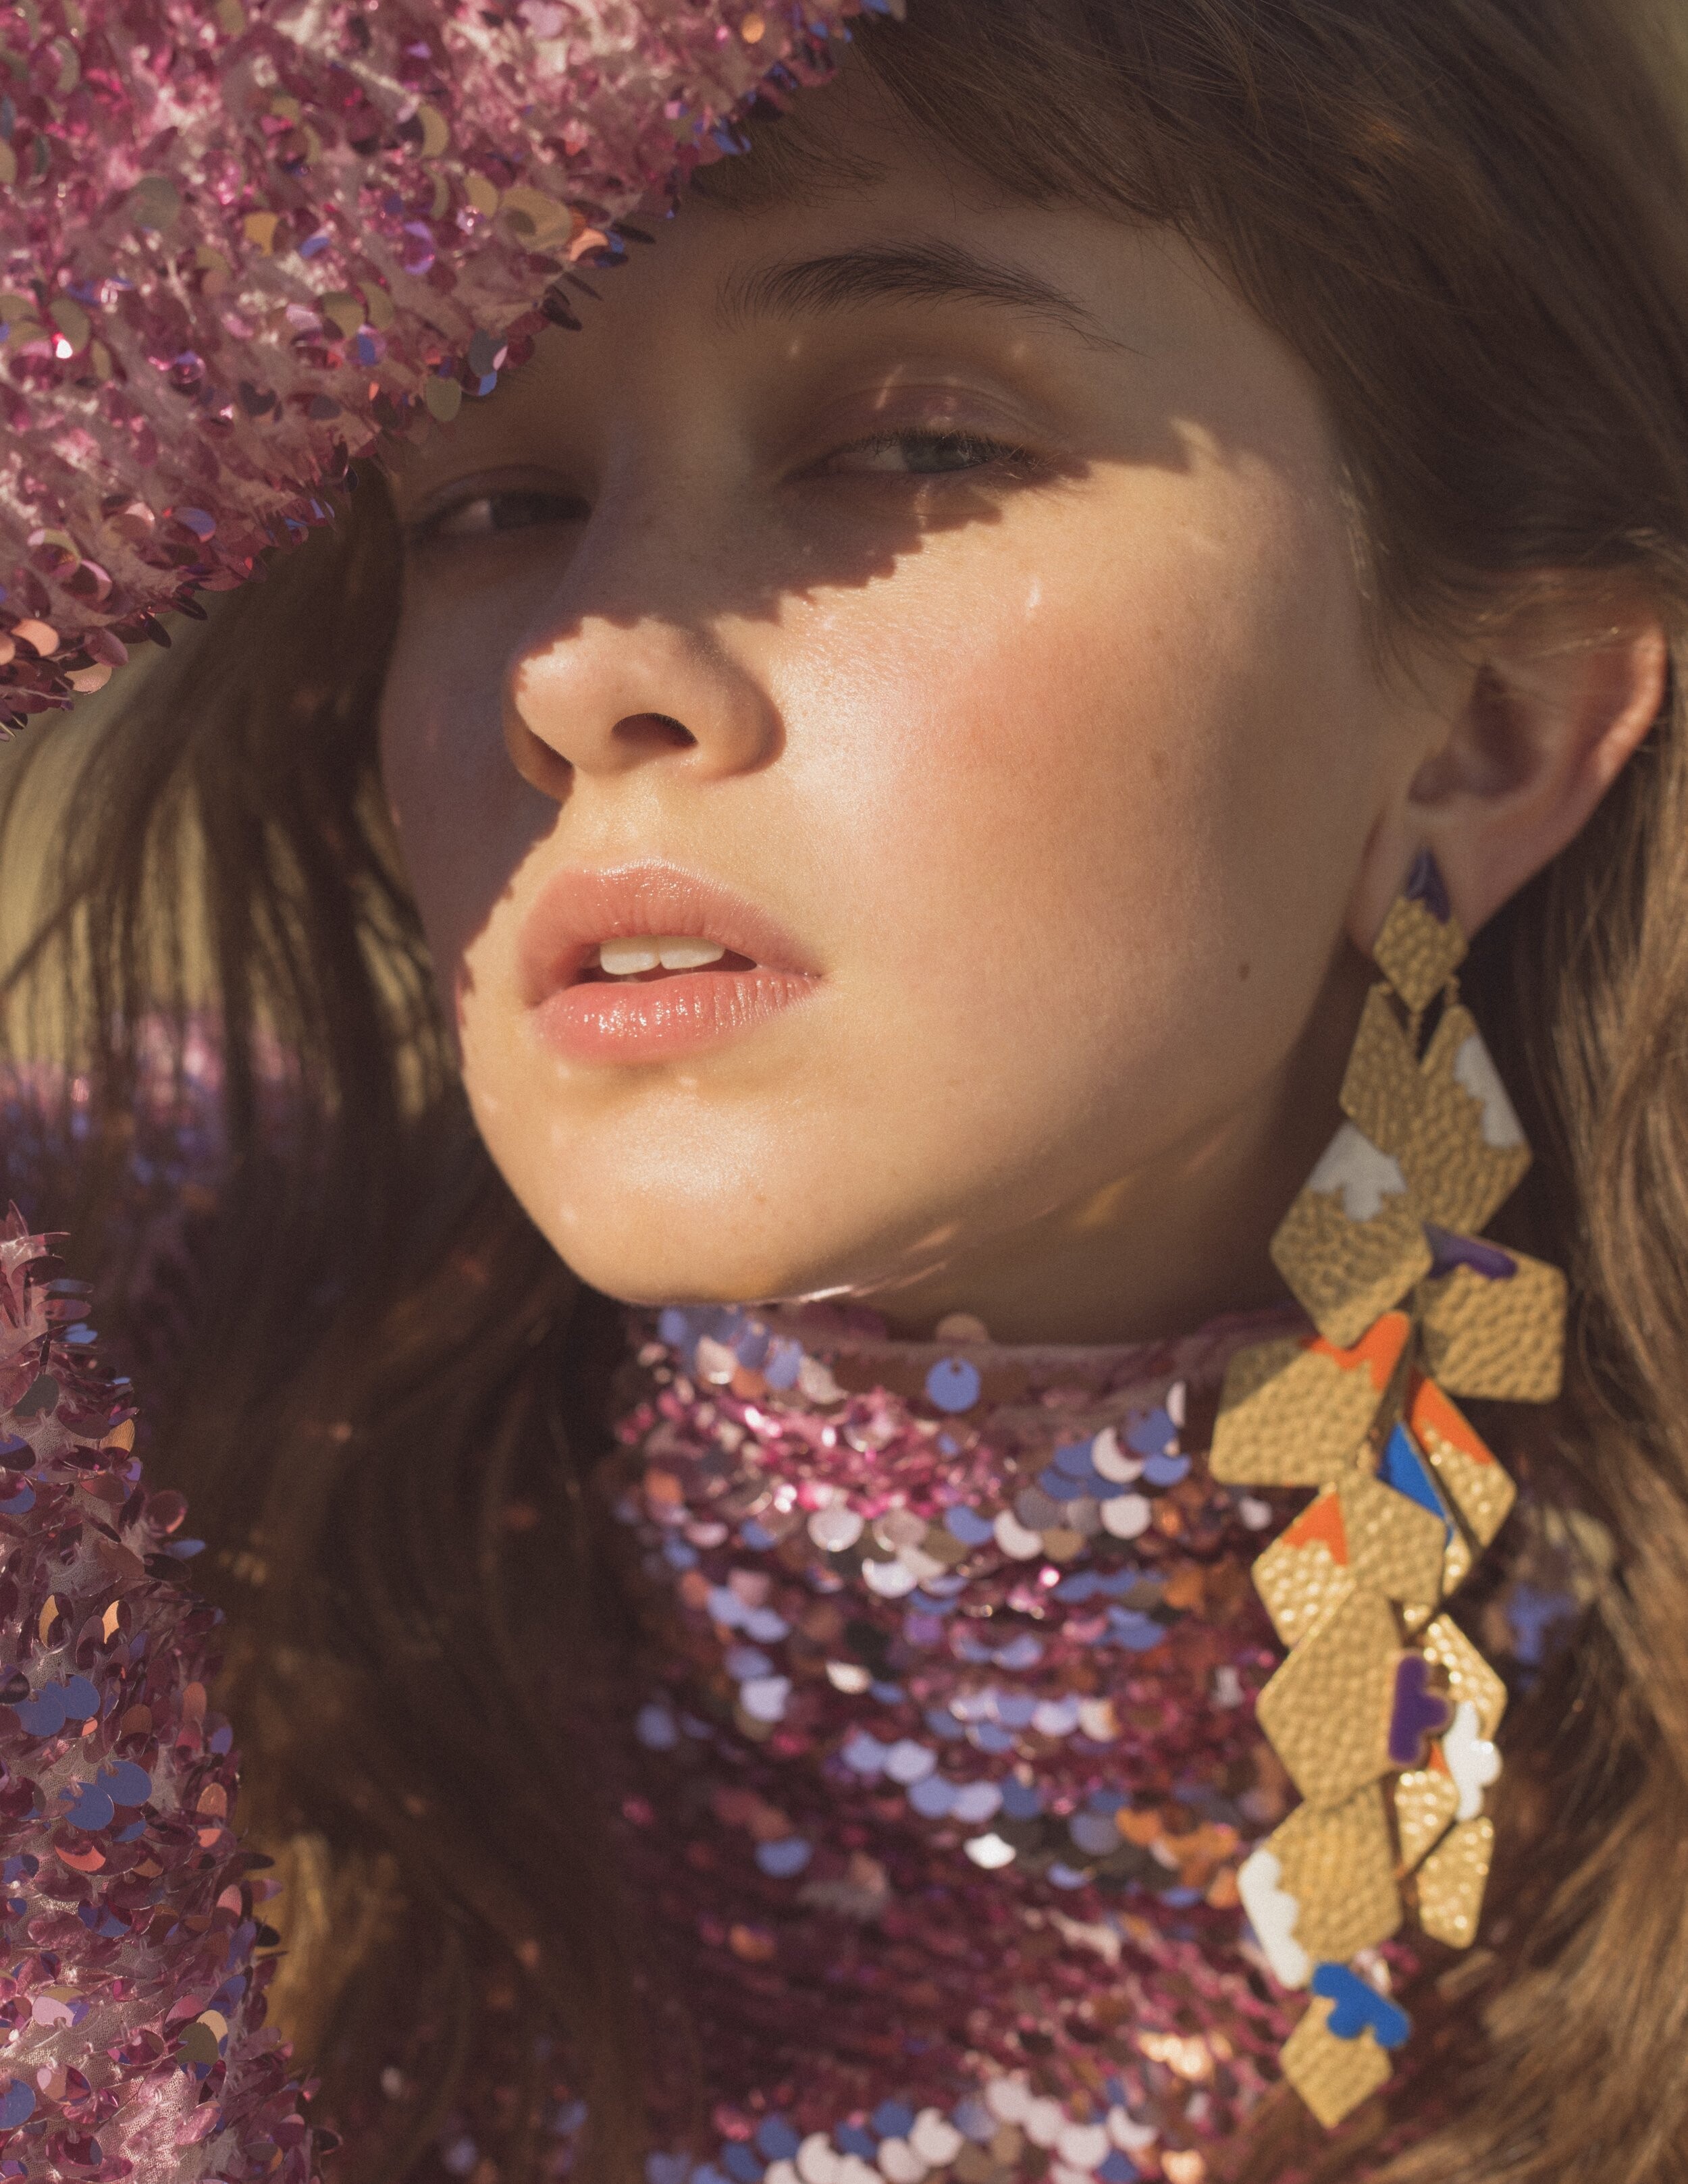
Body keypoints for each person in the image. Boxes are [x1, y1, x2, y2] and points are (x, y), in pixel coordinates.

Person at [4, 1, 1688, 2179]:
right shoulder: (99, 1446)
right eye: (493, 501)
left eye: (908, 447)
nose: (580, 666)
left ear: (1484, 727)